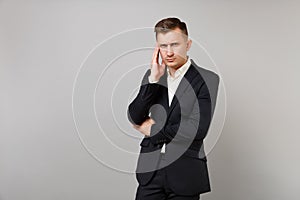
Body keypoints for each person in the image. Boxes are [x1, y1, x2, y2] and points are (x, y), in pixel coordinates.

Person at [128, 17, 219, 200]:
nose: (168, 52)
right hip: (150, 173)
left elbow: (197, 129)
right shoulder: (153, 76)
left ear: (188, 44)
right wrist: (153, 81)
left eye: (175, 45)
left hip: (185, 174)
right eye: (163, 46)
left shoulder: (207, 79)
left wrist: (153, 130)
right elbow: (135, 115)